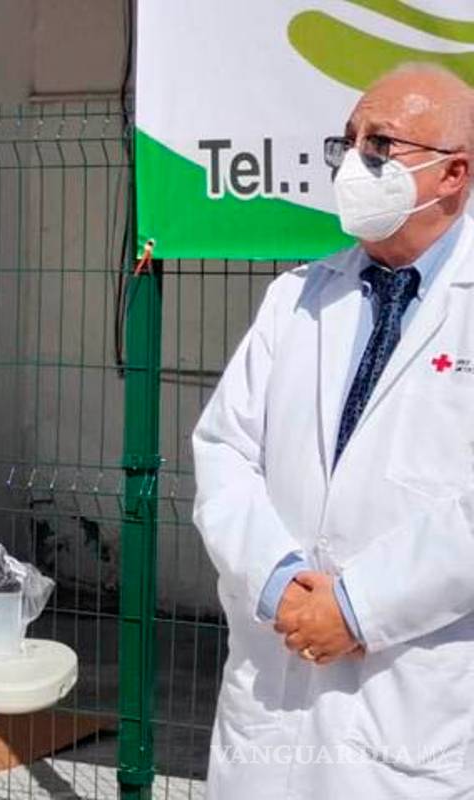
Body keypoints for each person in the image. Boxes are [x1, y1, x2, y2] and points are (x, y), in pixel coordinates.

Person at [194, 63, 474, 798]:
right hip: (276, 686)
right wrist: (281, 583)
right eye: (348, 142)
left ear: (454, 173)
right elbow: (224, 452)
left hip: (411, 708)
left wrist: (357, 608)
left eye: (379, 145)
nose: (355, 163)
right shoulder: (296, 299)